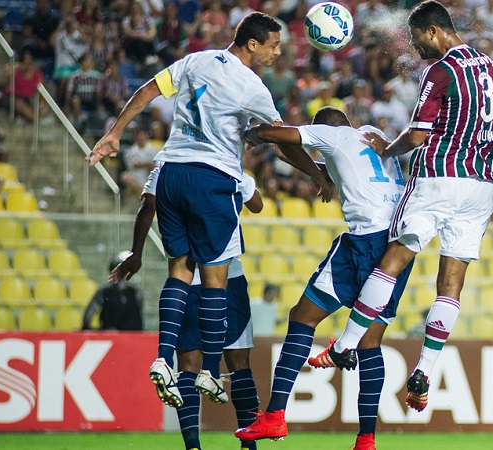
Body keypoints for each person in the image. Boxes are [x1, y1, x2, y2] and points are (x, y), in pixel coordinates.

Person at [86, 11, 331, 407]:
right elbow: (283, 142)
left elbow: (149, 89)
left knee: (179, 272)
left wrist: (114, 133)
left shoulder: (197, 59)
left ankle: (163, 360)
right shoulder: (253, 86)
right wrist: (317, 174)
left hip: (170, 174)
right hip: (211, 178)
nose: (278, 52)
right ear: (252, 44)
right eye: (273, 45)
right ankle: (208, 372)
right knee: (215, 279)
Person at [306, 0, 493, 414]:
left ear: (434, 31)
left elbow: (417, 136)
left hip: (439, 176)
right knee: (451, 283)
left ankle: (345, 345)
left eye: (418, 40)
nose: (417, 49)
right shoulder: (491, 69)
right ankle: (425, 369)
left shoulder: (441, 70)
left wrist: (388, 148)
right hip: (482, 185)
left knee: (393, 259)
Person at [233, 107, 413, 450]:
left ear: (322, 130)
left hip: (365, 242)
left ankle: (274, 416)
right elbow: (316, 161)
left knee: (302, 317)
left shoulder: (334, 135)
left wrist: (253, 133)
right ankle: (366, 439)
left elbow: (279, 136)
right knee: (370, 342)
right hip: (399, 245)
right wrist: (320, 176)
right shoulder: (370, 134)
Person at [110, 163, 264, 450]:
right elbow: (257, 204)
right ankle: (249, 445)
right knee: (239, 365)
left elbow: (148, 206)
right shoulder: (225, 162)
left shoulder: (167, 166)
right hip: (226, 279)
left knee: (187, 368)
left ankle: (192, 445)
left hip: (185, 285)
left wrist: (137, 251)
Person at [82, 252, 144, 330]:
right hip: (121, 334)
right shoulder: (104, 291)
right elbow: (88, 316)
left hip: (121, 334)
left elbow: (87, 317)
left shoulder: (134, 292)